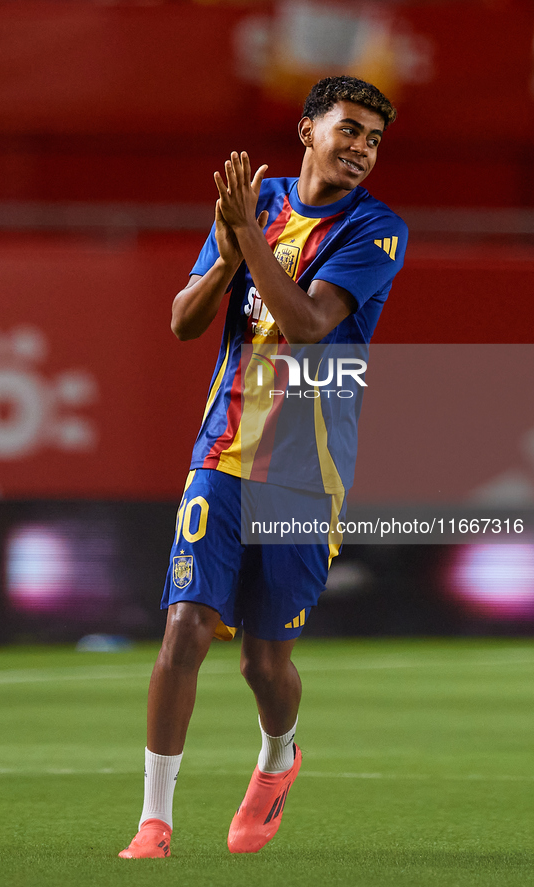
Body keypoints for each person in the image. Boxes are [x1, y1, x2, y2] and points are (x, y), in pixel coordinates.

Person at [119, 74, 408, 859]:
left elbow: (310, 324)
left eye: (373, 139)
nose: (360, 148)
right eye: (348, 129)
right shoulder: (253, 200)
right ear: (309, 127)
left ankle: (278, 757)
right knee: (186, 627)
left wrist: (246, 237)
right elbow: (184, 322)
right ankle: (154, 818)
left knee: (262, 659)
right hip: (221, 452)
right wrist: (226, 250)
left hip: (302, 470)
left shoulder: (376, 229)